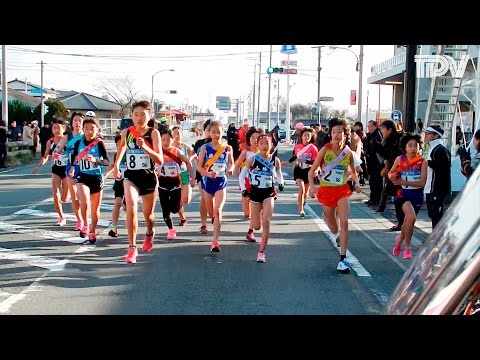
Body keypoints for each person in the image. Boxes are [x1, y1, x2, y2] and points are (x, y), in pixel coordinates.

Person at [308, 118, 361, 274]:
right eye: (334, 132)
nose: (337, 135)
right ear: (330, 134)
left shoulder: (348, 153)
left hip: (342, 190)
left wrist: (357, 184)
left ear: (345, 135)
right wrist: (311, 187)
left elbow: (352, 171)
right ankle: (329, 220)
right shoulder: (325, 150)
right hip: (326, 191)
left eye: (340, 132)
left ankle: (343, 259)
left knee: (344, 222)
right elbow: (312, 171)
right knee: (333, 227)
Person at [114, 100, 163, 264]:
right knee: (131, 207)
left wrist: (146, 148)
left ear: (149, 116)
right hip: (131, 176)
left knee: (148, 215)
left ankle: (150, 232)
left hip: (148, 177)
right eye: (136, 114)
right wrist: (116, 166)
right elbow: (121, 149)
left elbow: (160, 159)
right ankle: (132, 248)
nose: (139, 117)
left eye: (143, 114)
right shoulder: (126, 132)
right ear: (132, 116)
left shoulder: (153, 133)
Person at [239, 134, 284, 262]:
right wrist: (243, 189)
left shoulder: (275, 161)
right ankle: (257, 217)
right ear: (258, 146)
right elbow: (241, 176)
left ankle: (261, 252)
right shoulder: (252, 160)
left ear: (271, 145)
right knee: (256, 225)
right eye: (262, 143)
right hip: (255, 193)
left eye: (267, 143)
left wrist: (281, 183)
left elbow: (279, 175)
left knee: (266, 221)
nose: (264, 146)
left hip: (268, 193)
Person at [69, 117, 110, 243]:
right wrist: (72, 167)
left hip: (96, 178)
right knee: (84, 201)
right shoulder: (78, 143)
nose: (89, 131)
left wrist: (95, 161)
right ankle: (85, 225)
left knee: (95, 209)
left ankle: (92, 231)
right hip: (83, 176)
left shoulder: (99, 143)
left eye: (92, 129)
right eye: (86, 129)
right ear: (83, 130)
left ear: (97, 129)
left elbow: (107, 161)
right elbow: (74, 157)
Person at [388, 133, 428, 259]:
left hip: (416, 194)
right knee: (411, 216)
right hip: (402, 194)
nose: (413, 148)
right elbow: (390, 172)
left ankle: (400, 240)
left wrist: (403, 182)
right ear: (405, 147)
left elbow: (422, 182)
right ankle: (408, 247)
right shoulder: (400, 159)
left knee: (409, 221)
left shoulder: (422, 161)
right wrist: (392, 176)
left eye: (415, 145)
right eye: (410, 145)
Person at [196, 120, 234, 252]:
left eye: (219, 132)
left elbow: (231, 163)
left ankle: (215, 242)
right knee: (211, 212)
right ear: (209, 133)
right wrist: (207, 173)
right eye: (214, 132)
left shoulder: (227, 148)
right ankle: (212, 219)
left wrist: (230, 169)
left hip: (221, 182)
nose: (217, 135)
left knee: (218, 210)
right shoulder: (205, 148)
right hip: (208, 182)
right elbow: (199, 167)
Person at [156, 128, 195, 239]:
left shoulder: (177, 151)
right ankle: (171, 229)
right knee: (165, 210)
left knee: (174, 208)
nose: (166, 142)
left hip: (175, 183)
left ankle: (176, 211)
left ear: (172, 140)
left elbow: (187, 162)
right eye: (163, 140)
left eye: (168, 140)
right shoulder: (157, 151)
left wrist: (192, 177)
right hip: (162, 183)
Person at [32, 119, 70, 226]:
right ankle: (61, 217)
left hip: (66, 169)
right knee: (56, 194)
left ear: (64, 128)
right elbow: (45, 156)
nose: (56, 130)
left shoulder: (67, 140)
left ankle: (67, 195)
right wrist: (38, 166)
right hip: (56, 169)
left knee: (65, 198)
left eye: (59, 127)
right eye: (54, 128)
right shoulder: (50, 142)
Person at [53, 112, 85, 232]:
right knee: (74, 196)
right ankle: (79, 220)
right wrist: (56, 153)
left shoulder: (86, 135)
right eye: (75, 120)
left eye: (80, 120)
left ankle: (85, 219)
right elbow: (59, 147)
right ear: (71, 123)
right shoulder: (68, 137)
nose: (77, 123)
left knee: (83, 197)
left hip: (84, 169)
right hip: (70, 168)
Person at [283, 127, 318, 217]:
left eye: (308, 136)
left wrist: (306, 161)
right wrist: (287, 162)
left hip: (308, 171)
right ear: (301, 136)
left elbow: (315, 162)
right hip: (299, 170)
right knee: (301, 189)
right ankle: (301, 210)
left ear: (311, 137)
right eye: (305, 135)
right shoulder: (297, 147)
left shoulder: (313, 148)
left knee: (305, 192)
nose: (306, 137)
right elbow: (295, 156)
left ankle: (303, 201)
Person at [423, 125, 451, 229]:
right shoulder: (430, 148)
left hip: (437, 189)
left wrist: (426, 162)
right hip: (430, 188)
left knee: (437, 216)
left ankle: (438, 241)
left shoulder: (440, 150)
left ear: (435, 136)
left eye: (428, 133)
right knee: (433, 214)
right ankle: (434, 238)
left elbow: (442, 168)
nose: (425, 135)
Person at [104, 134, 127, 237]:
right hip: (119, 182)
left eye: (121, 144)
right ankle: (114, 228)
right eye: (118, 144)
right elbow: (113, 165)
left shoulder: (130, 154)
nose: (119, 146)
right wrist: (105, 175)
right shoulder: (116, 155)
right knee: (117, 203)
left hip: (130, 183)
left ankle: (130, 222)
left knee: (127, 207)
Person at [172, 126, 196, 225]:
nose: (177, 135)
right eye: (175, 133)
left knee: (186, 199)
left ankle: (180, 206)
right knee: (178, 200)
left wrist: (191, 158)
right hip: (174, 176)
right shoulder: (169, 148)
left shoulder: (186, 147)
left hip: (185, 174)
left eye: (178, 133)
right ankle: (183, 218)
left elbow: (195, 154)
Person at [193, 119, 212, 234]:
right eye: (209, 130)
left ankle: (215, 216)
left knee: (213, 200)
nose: (211, 133)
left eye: (214, 130)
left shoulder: (222, 144)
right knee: (205, 197)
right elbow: (194, 157)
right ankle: (203, 224)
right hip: (201, 174)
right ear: (204, 131)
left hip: (216, 176)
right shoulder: (199, 144)